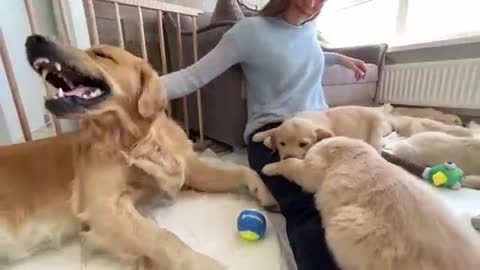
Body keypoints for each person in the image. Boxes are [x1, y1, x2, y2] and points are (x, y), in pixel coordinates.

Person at [157, 0, 367, 269]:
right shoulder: (248, 32)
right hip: (275, 133)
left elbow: (300, 54)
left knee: (366, 189)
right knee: (307, 207)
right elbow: (192, 76)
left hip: (321, 128)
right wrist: (135, 91)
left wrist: (340, 58)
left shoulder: (308, 30)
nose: (315, 4)